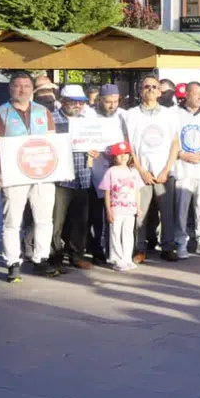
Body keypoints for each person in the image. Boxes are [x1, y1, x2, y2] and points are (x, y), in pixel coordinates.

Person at [0, 71, 59, 282]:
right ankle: (12, 262)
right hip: (13, 175)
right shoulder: (0, 113)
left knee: (44, 219)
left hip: (42, 173)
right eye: (18, 86)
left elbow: (52, 143)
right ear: (10, 88)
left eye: (27, 86)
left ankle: (41, 259)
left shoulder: (43, 112)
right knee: (12, 221)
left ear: (32, 89)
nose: (22, 90)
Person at [123, 74, 182, 262]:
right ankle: (139, 248)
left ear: (159, 92)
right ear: (141, 91)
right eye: (146, 87)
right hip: (141, 173)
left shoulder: (169, 114)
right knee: (140, 213)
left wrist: (166, 170)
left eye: (154, 87)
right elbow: (129, 146)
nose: (150, 90)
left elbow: (175, 144)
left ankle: (168, 247)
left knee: (167, 213)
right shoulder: (131, 115)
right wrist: (141, 171)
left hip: (164, 172)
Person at [50, 84, 97, 271]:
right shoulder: (51, 119)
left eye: (81, 102)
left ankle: (77, 255)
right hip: (60, 178)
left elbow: (96, 144)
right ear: (62, 101)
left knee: (80, 221)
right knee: (56, 221)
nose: (78, 105)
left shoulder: (88, 121)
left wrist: (95, 151)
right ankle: (55, 257)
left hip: (83, 176)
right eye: (73, 101)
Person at [173, 82, 200, 257]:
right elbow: (172, 139)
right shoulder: (176, 114)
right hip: (183, 169)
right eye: (195, 94)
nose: (199, 97)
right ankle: (181, 242)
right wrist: (181, 154)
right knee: (181, 208)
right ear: (187, 94)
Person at [87, 84, 125, 264]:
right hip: (94, 169)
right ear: (100, 100)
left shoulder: (123, 116)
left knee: (115, 211)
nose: (112, 106)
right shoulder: (88, 115)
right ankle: (95, 248)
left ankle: (114, 251)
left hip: (116, 169)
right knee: (96, 213)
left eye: (115, 102)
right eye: (108, 102)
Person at [100, 142, 144, 272]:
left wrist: (138, 207)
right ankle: (117, 259)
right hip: (116, 209)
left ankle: (127, 258)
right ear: (114, 157)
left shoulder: (133, 171)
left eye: (125, 154)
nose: (123, 156)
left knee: (128, 233)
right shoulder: (111, 171)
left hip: (130, 209)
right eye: (119, 155)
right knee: (115, 233)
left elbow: (137, 191)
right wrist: (108, 210)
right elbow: (107, 192)